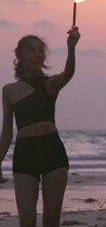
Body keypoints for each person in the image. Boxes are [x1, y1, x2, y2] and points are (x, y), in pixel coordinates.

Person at [0, 27, 81, 227]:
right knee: (27, 220)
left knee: (51, 219)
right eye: (32, 50)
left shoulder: (50, 83)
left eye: (40, 50)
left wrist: (71, 49)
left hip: (53, 152)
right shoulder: (9, 90)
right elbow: (7, 132)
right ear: (19, 54)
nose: (38, 54)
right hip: (25, 153)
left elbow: (68, 73)